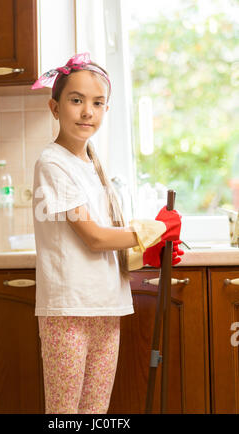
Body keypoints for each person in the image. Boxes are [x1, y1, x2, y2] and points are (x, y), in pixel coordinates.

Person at [32, 52, 183, 414]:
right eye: (76, 100)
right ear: (55, 108)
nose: (87, 111)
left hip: (106, 304)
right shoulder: (52, 163)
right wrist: (153, 230)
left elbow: (109, 238)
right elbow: (94, 237)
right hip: (68, 310)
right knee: (65, 413)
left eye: (97, 103)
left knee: (94, 412)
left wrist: (144, 250)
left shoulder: (95, 165)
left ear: (106, 110)